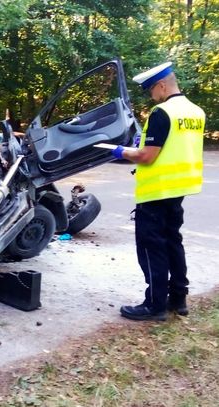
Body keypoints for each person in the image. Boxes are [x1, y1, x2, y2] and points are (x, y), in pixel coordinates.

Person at [112, 62, 206, 321]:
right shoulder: (195, 111)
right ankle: (178, 299)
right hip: (180, 188)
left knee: (152, 247)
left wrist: (120, 151)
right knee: (173, 242)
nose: (150, 96)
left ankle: (154, 305)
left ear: (162, 85)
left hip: (156, 191)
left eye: (150, 90)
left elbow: (146, 156)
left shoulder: (162, 113)